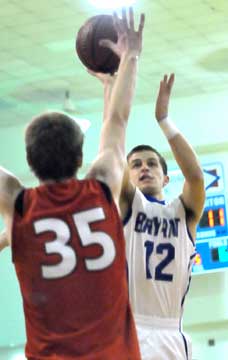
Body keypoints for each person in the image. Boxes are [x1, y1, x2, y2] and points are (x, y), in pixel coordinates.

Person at [0, 8, 145, 359]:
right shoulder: (100, 190)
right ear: (81, 159)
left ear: (30, 164)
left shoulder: (19, 206)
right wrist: (130, 56)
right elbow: (117, 122)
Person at [120, 74, 205, 360]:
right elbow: (111, 155)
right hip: (130, 328)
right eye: (136, 165)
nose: (144, 168)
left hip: (170, 331)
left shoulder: (184, 213)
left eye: (152, 163)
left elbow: (195, 176)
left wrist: (164, 120)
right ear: (128, 175)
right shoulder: (128, 205)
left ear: (166, 178)